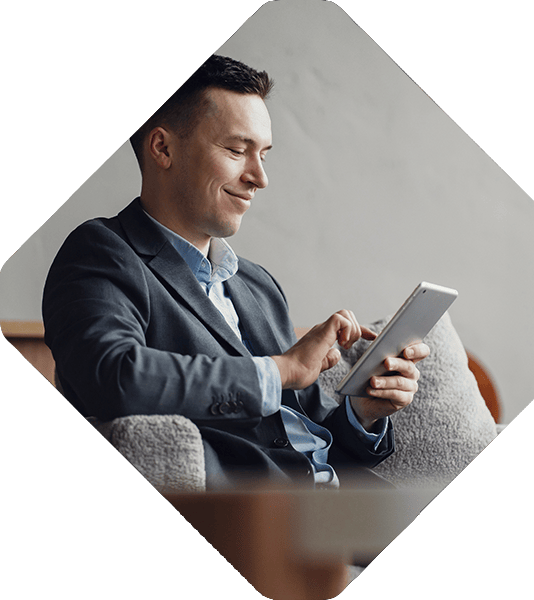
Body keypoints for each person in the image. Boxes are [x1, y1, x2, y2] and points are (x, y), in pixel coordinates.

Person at [43, 55, 429, 490]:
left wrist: (363, 411)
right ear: (163, 148)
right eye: (236, 150)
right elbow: (115, 376)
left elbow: (302, 436)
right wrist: (280, 369)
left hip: (341, 512)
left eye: (263, 154)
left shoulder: (259, 287)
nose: (259, 178)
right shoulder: (101, 252)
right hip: (251, 522)